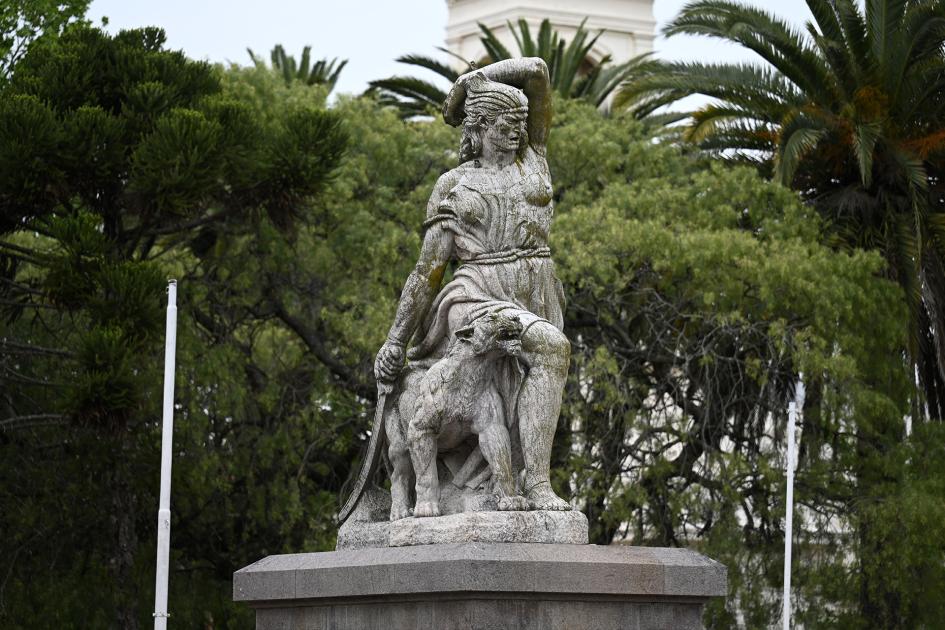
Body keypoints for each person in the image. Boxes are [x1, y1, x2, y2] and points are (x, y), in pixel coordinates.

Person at [374, 57, 571, 511]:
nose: (517, 132)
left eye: (521, 123)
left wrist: (473, 80)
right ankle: (537, 486)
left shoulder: (534, 160)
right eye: (505, 124)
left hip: (536, 289)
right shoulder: (454, 185)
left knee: (533, 372)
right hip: (476, 293)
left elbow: (539, 70)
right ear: (480, 127)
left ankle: (523, 482)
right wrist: (394, 341)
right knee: (552, 348)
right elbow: (427, 272)